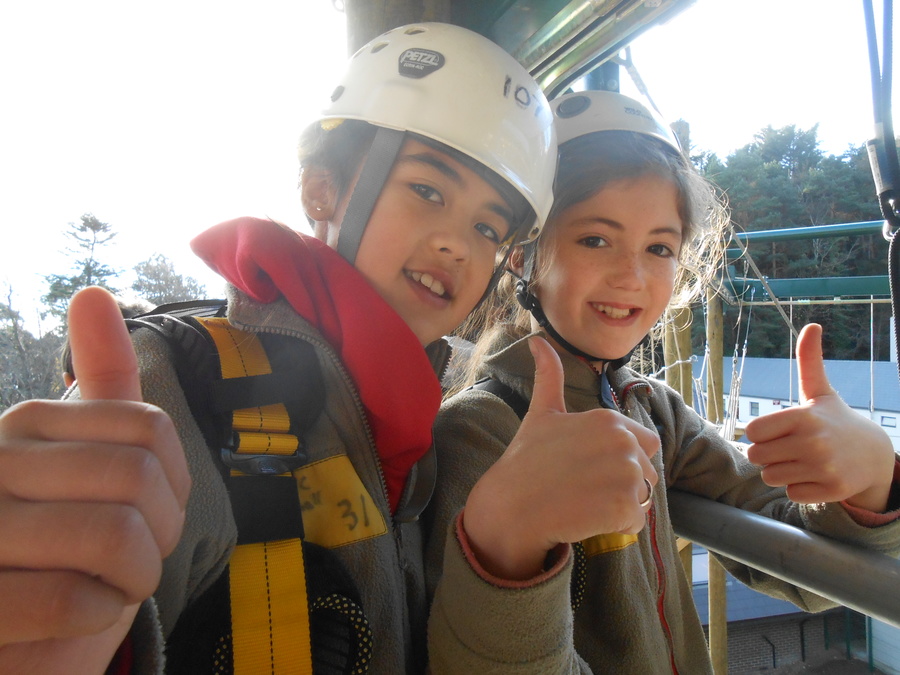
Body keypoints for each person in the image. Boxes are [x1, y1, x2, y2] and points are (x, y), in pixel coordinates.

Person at [0, 23, 557, 674]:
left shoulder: (441, 434)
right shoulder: (182, 385)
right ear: (322, 192)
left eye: (488, 226)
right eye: (428, 190)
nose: (459, 243)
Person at [425, 90, 900, 673]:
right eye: (595, 238)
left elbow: (803, 568)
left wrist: (868, 485)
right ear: (524, 254)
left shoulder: (652, 410)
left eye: (659, 247)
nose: (632, 275)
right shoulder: (478, 432)